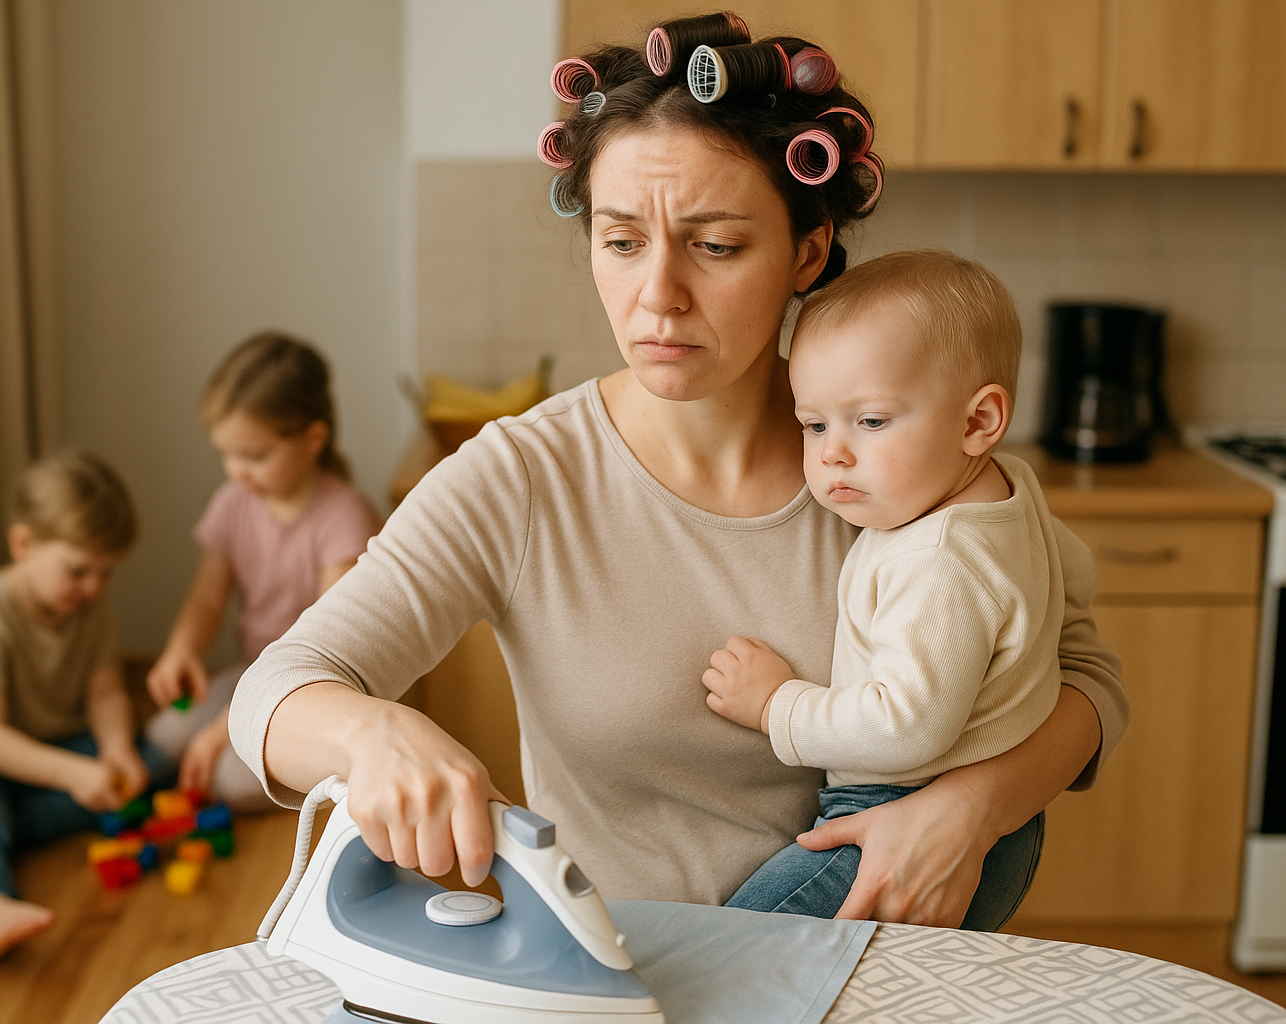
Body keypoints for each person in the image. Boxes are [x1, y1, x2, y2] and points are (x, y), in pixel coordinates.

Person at [229, 15, 1128, 927]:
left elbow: (1086, 674)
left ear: (807, 251)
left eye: (716, 245)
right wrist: (373, 731)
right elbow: (275, 688)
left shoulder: (891, 451)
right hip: (628, 981)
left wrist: (972, 811)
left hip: (884, 967)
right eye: (622, 242)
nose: (659, 295)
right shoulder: (525, 476)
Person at [705, 249, 1072, 922]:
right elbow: (1075, 574)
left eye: (870, 421)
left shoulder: (937, 558)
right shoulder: (1007, 491)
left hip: (898, 817)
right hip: (998, 824)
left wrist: (775, 706)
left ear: (977, 422)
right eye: (814, 424)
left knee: (731, 951)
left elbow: (906, 727)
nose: (833, 453)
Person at [0, 452, 173, 963]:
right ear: (23, 545)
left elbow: (104, 693)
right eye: (79, 571)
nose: (95, 588)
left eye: (106, 574)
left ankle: (15, 822)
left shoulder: (90, 609)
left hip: (53, 747)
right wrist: (74, 773)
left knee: (154, 760)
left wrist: (116, 749)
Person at [145, 331, 380, 812]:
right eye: (226, 455)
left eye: (254, 456)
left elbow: (323, 649)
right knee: (164, 733)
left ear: (314, 439)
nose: (237, 471)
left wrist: (219, 734)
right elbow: (206, 601)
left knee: (232, 780)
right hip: (252, 677)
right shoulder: (233, 504)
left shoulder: (344, 516)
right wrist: (181, 649)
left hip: (312, 688)